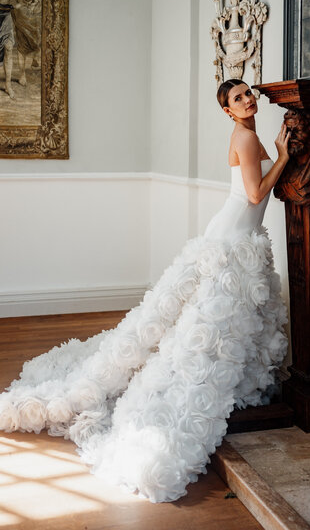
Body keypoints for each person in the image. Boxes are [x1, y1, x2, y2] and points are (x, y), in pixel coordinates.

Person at [0, 79, 290, 503]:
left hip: (239, 238)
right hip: (231, 243)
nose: (248, 100)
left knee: (215, 325)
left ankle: (241, 387)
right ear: (227, 110)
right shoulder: (245, 136)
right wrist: (283, 157)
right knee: (205, 327)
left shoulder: (249, 134)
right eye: (237, 98)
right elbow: (253, 193)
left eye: (248, 93)